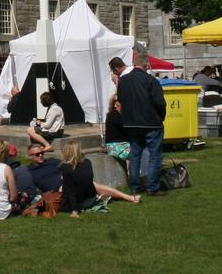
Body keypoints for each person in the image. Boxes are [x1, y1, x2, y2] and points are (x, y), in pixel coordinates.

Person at [114, 43, 167, 196]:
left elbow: (120, 101)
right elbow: (159, 102)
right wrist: (160, 117)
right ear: (146, 65)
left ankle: (135, 186)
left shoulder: (123, 81)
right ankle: (152, 187)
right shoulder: (151, 80)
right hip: (151, 123)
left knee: (135, 155)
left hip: (131, 123)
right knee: (154, 155)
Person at [59, 141, 139, 216]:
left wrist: (74, 211)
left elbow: (71, 191)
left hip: (77, 202)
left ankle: (99, 198)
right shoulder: (87, 162)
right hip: (90, 198)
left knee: (62, 188)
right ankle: (100, 198)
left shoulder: (66, 168)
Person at [104, 93, 130, 161]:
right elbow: (127, 127)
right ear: (115, 104)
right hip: (115, 146)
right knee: (139, 150)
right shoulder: (113, 115)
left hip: (123, 145)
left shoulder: (122, 115)